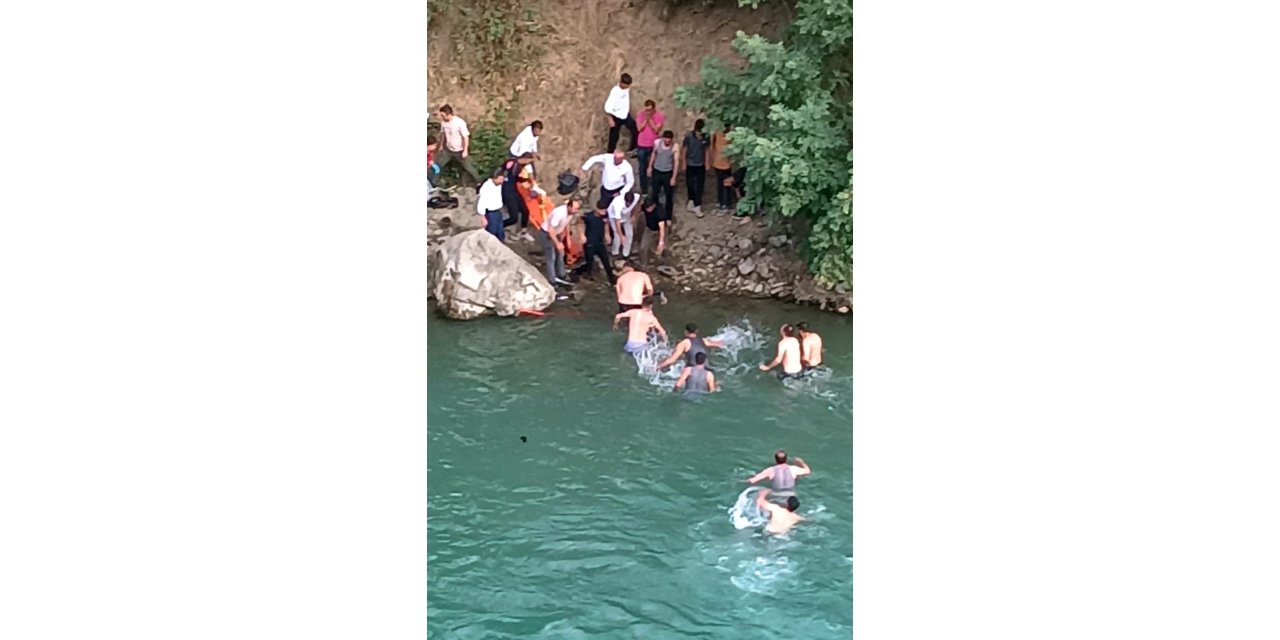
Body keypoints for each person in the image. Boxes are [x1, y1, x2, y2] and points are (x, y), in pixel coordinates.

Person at [573, 198, 616, 285]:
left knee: (606, 260)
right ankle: (587, 275)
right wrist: (581, 235)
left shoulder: (605, 216)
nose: (603, 212)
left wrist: (607, 234)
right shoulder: (588, 216)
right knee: (590, 262)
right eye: (601, 210)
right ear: (596, 208)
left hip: (600, 242)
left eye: (604, 210)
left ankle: (611, 278)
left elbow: (606, 223)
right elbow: (579, 223)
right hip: (589, 242)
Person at [436, 104, 482, 184]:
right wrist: (441, 145)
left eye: (443, 115)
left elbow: (465, 137)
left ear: (448, 114)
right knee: (438, 164)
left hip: (459, 151)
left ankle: (479, 182)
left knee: (469, 167)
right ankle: (433, 181)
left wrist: (465, 151)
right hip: (448, 149)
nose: (442, 117)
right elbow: (443, 134)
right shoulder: (443, 122)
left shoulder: (459, 123)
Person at [539, 199, 577, 286]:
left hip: (558, 232)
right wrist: (557, 243)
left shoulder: (571, 213)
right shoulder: (558, 214)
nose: (576, 211)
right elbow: (550, 230)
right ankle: (552, 279)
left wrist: (567, 237)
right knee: (551, 256)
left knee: (560, 253)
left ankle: (561, 274)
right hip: (547, 233)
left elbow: (567, 224)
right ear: (569, 207)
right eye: (575, 209)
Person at [657, 323, 725, 370]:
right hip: (706, 369)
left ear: (686, 331)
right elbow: (719, 344)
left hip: (692, 370)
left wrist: (657, 367)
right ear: (696, 331)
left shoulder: (684, 343)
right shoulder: (703, 340)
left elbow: (672, 359)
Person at [499, 153, 535, 242]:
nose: (528, 164)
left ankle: (523, 232)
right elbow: (507, 173)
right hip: (507, 193)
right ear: (525, 159)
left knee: (525, 211)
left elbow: (514, 178)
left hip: (514, 191)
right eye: (529, 162)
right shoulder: (512, 163)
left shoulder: (517, 166)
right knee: (513, 218)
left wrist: (525, 180)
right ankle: (499, 227)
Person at [647, 130, 679, 226]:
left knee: (669, 196)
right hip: (657, 171)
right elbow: (653, 154)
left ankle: (668, 216)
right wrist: (649, 167)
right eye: (666, 138)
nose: (667, 141)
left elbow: (676, 162)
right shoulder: (657, 143)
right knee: (654, 194)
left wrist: (673, 177)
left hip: (667, 173)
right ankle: (655, 215)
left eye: (669, 139)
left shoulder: (675, 147)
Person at [746, 450, 812, 495]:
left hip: (776, 494)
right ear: (786, 459)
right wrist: (801, 462)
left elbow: (753, 480)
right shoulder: (793, 469)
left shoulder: (770, 470)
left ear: (776, 459)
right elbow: (807, 471)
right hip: (790, 495)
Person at [681, 119, 710, 217]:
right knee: (690, 184)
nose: (700, 134)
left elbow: (706, 150)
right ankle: (691, 200)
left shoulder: (706, 136)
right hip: (690, 163)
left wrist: (706, 162)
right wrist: (684, 163)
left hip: (700, 164)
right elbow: (684, 150)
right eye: (698, 132)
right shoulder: (689, 136)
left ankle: (697, 205)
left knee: (700, 185)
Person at [603, 73, 638, 153]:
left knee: (635, 128)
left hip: (625, 115)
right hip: (616, 117)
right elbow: (607, 107)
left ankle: (633, 148)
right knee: (614, 136)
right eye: (625, 85)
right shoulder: (615, 91)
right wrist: (610, 119)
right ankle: (610, 152)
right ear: (621, 83)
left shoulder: (627, 89)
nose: (627, 87)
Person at [635, 100, 664, 194]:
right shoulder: (640, 115)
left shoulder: (659, 116)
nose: (647, 112)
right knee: (642, 168)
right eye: (646, 110)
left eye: (650, 110)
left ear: (653, 109)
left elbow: (656, 130)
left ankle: (655, 188)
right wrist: (646, 120)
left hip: (653, 145)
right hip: (642, 145)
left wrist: (650, 120)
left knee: (654, 167)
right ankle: (644, 190)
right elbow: (639, 128)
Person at [608, 191, 642, 258]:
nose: (628, 205)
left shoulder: (636, 197)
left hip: (626, 215)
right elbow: (617, 222)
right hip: (614, 217)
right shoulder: (617, 204)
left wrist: (634, 215)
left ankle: (626, 254)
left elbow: (639, 204)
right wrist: (621, 236)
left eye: (630, 204)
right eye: (627, 203)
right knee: (617, 236)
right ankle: (615, 253)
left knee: (630, 235)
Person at [709, 122, 733, 214]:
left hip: (726, 164)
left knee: (726, 185)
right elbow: (713, 145)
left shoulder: (731, 135)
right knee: (719, 184)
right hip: (717, 163)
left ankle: (726, 204)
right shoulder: (717, 132)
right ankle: (720, 201)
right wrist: (712, 158)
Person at [475, 170, 507, 241]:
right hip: (491, 213)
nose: (502, 182)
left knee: (500, 231)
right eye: (500, 179)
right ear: (495, 178)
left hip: (498, 211)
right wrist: (483, 217)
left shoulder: (498, 184)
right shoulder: (486, 187)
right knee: (492, 233)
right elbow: (481, 203)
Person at [636, 197, 666, 269]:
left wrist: (661, 241)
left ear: (653, 205)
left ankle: (661, 262)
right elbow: (639, 209)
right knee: (643, 247)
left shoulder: (659, 212)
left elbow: (662, 228)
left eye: (649, 208)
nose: (648, 210)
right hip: (649, 229)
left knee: (660, 248)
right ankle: (643, 265)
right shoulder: (644, 207)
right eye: (646, 208)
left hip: (659, 230)